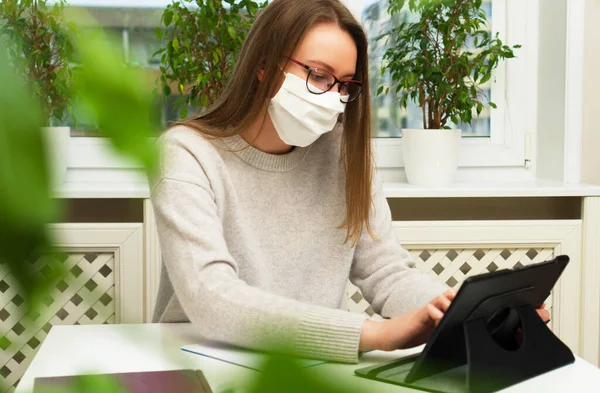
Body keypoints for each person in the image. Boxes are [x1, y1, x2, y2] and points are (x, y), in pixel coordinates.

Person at [150, 0, 548, 363]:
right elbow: (211, 296)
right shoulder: (187, 153)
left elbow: (386, 272)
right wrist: (374, 335)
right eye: (319, 75)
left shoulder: (344, 154)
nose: (331, 98)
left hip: (307, 365)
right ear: (264, 65)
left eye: (345, 85)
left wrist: (468, 315)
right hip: (200, 359)